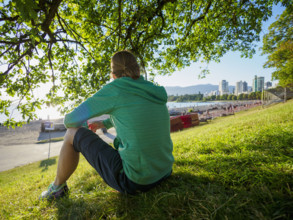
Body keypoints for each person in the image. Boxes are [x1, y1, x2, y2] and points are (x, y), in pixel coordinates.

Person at [40, 51, 174, 199]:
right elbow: (134, 112)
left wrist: (83, 127)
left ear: (113, 74)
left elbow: (70, 121)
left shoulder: (116, 88)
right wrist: (104, 123)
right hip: (164, 171)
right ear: (137, 69)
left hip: (136, 181)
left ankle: (56, 188)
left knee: (71, 133)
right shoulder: (151, 89)